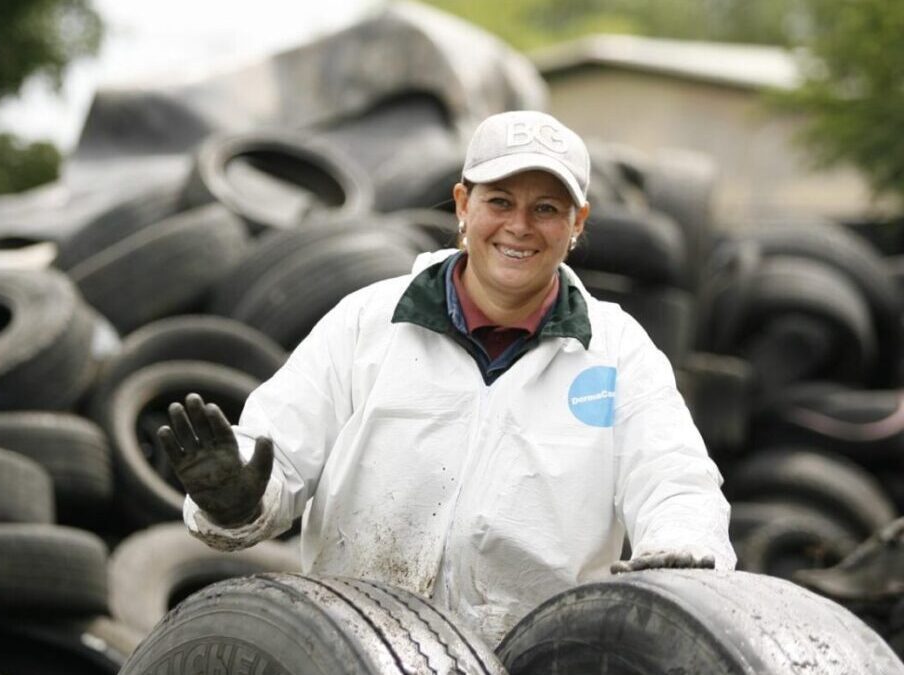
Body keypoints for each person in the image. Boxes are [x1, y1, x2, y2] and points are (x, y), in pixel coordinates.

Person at [158, 110, 737, 646]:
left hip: (532, 657)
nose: (519, 227)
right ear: (463, 204)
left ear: (577, 223)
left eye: (546, 209)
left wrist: (680, 550)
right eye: (500, 201)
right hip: (360, 651)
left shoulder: (617, 351)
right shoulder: (368, 322)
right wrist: (234, 502)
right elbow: (275, 456)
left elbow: (673, 480)